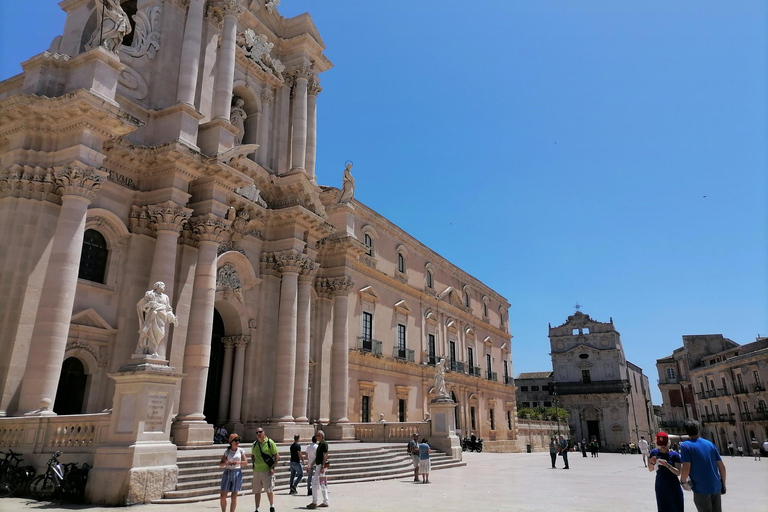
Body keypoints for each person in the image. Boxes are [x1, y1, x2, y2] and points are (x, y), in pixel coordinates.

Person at [679, 419, 726, 512]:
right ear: (698, 429)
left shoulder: (685, 446)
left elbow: (686, 467)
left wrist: (683, 481)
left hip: (701, 488)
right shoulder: (710, 444)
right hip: (716, 486)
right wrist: (723, 484)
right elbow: (721, 466)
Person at [648, 431, 683, 512]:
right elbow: (650, 469)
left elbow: (678, 472)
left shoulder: (675, 455)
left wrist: (667, 465)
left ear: (668, 443)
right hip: (661, 486)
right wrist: (652, 463)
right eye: (661, 444)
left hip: (673, 486)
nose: (662, 447)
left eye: (664, 444)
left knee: (676, 508)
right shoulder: (654, 453)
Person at [251, 428, 279, 512]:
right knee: (257, 491)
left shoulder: (270, 442)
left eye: (260, 432)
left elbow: (277, 455)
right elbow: (252, 455)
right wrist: (253, 464)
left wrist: (273, 468)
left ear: (264, 432)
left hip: (267, 471)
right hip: (257, 471)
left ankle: (272, 506)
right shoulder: (254, 444)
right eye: (257, 432)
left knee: (269, 490)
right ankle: (257, 508)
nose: (259, 434)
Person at [219, 434, 248, 512]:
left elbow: (246, 462)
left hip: (237, 472)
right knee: (223, 495)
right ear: (231, 442)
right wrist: (226, 462)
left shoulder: (241, 450)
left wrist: (238, 462)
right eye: (235, 440)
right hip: (227, 472)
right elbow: (220, 464)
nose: (237, 442)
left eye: (238, 440)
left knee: (234, 496)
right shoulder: (227, 452)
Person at [307, 430, 329, 509]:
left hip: (321, 466)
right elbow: (317, 457)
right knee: (322, 483)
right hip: (320, 465)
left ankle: (314, 502)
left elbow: (325, 455)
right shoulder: (320, 444)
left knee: (315, 482)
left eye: (317, 435)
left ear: (321, 436)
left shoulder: (324, 444)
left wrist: (322, 467)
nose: (316, 437)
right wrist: (310, 465)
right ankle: (325, 501)